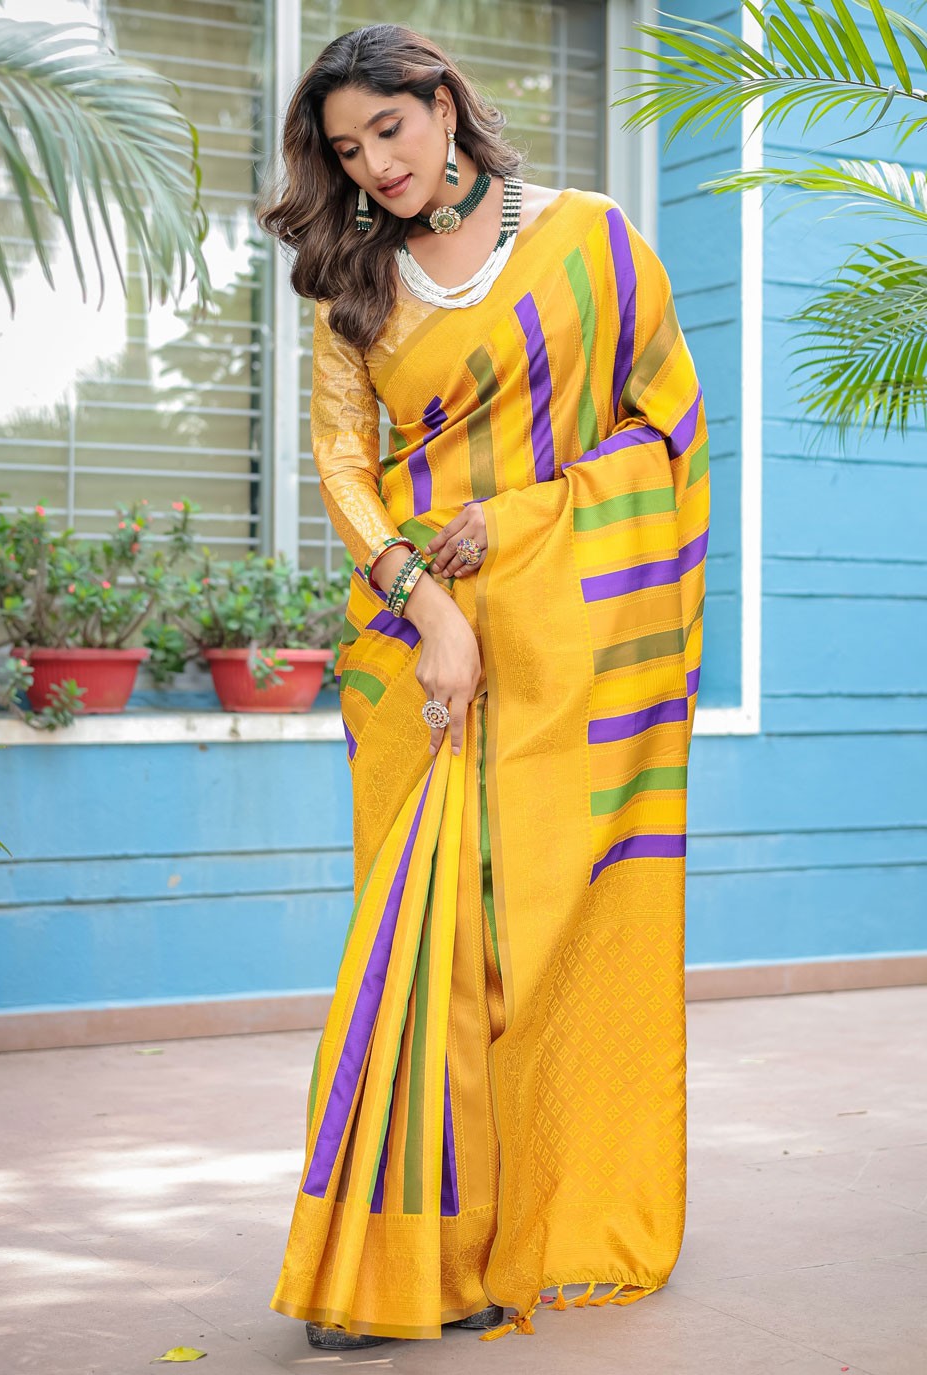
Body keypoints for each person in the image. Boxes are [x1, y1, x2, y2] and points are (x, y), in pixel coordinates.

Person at [256, 21, 710, 1350]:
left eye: (388, 129)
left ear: (444, 106)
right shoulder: (355, 283)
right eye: (347, 151)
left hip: (573, 638)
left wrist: (514, 524)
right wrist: (431, 607)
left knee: (548, 939)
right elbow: (344, 473)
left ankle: (548, 1228)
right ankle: (406, 1262)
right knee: (422, 945)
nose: (375, 166)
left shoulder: (592, 242)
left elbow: (666, 435)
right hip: (419, 651)